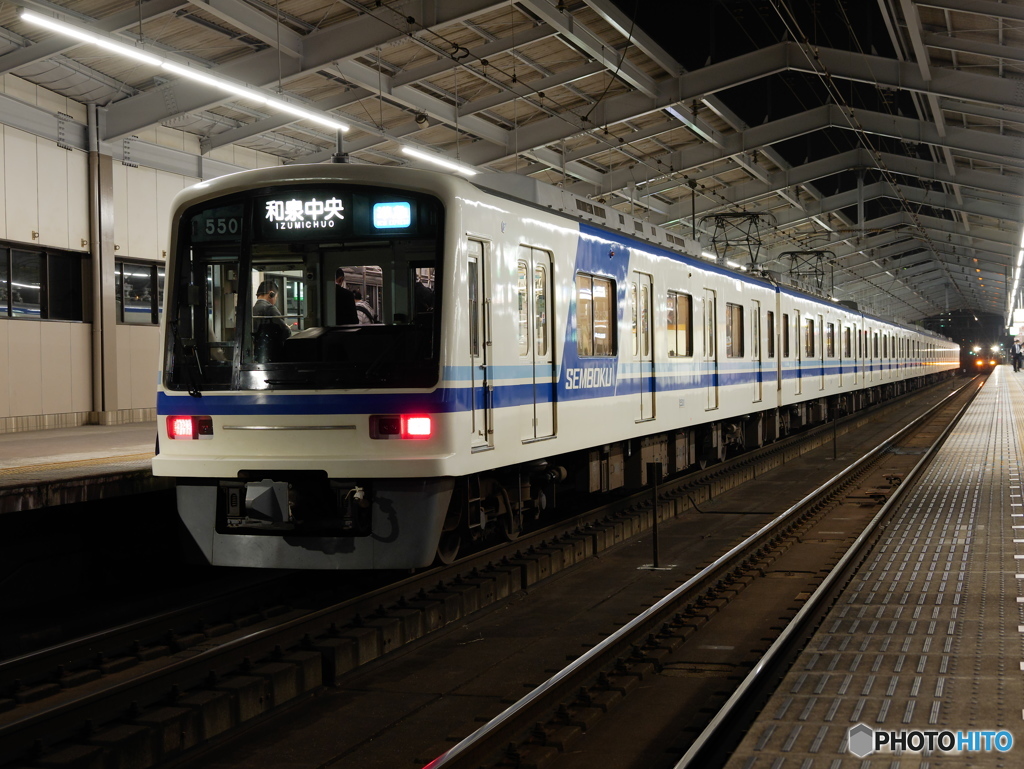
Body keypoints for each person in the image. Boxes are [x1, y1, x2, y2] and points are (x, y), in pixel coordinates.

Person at [252, 280, 291, 360]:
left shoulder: (252, 310)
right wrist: (288, 328)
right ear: (271, 294)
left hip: (257, 353)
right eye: (276, 297)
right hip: (271, 354)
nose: (275, 301)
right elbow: (285, 332)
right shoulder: (270, 309)